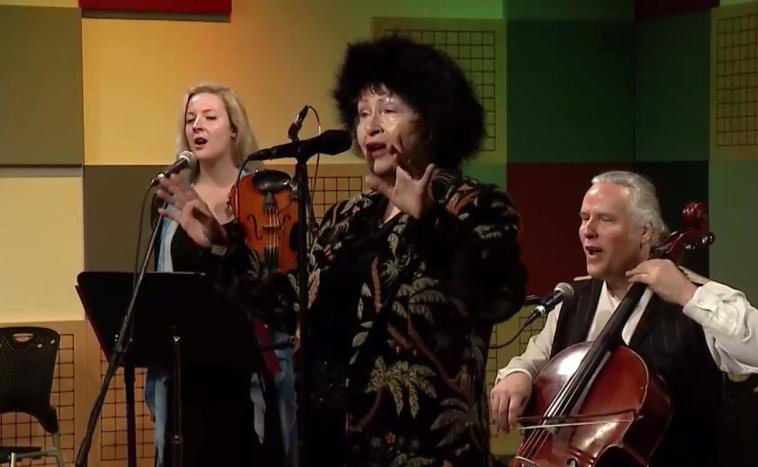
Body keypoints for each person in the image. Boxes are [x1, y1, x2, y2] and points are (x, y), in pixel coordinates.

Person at [155, 36, 527, 466]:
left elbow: (500, 295)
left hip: (426, 451)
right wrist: (222, 249)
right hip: (331, 448)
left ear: (431, 122)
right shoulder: (345, 217)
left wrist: (431, 220)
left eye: (389, 111)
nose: (371, 126)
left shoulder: (473, 205)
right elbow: (293, 305)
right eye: (363, 113)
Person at [490, 170, 758, 466]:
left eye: (605, 219)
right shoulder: (573, 299)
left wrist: (688, 295)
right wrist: (519, 374)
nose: (588, 230)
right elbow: (534, 360)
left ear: (645, 232)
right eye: (584, 218)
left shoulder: (695, 297)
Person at [144, 82, 294, 467]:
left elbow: (277, 288)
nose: (197, 125)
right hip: (188, 373)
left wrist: (220, 246)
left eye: (210, 117)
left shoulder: (266, 196)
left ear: (234, 129)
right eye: (190, 119)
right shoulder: (173, 202)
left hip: (247, 372)